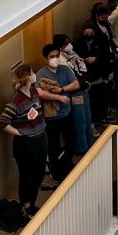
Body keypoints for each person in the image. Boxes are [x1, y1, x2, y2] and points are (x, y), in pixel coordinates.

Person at [0, 63, 51, 218]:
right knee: (27, 175)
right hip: (27, 144)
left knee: (39, 173)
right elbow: (2, 121)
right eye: (32, 73)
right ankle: (25, 206)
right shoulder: (16, 101)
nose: (35, 75)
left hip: (41, 138)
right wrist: (19, 132)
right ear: (27, 77)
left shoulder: (34, 92)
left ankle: (32, 203)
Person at [36, 42, 79, 177]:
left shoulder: (64, 69)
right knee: (53, 145)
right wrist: (58, 98)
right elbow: (40, 93)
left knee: (71, 140)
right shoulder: (41, 73)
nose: (55, 58)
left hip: (66, 113)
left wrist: (62, 90)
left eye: (57, 55)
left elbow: (76, 83)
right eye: (51, 56)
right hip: (51, 117)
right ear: (46, 58)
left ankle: (68, 163)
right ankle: (56, 171)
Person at [53, 33, 94, 151]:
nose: (69, 45)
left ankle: (89, 144)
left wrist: (86, 81)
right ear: (60, 46)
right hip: (75, 92)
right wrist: (84, 84)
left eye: (69, 42)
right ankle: (81, 147)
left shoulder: (71, 53)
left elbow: (81, 66)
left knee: (87, 118)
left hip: (84, 88)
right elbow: (70, 78)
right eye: (66, 43)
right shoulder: (60, 60)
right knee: (80, 121)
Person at [76, 13, 113, 130]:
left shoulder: (102, 41)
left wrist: (96, 59)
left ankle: (99, 119)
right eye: (86, 34)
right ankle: (91, 124)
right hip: (86, 77)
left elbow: (107, 57)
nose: (88, 36)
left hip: (98, 76)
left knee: (99, 101)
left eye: (91, 34)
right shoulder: (77, 43)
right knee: (89, 103)